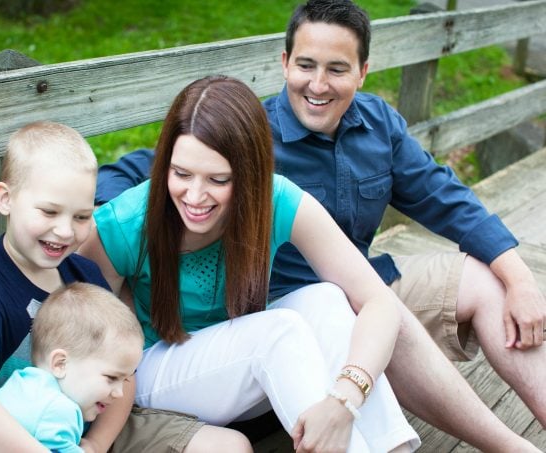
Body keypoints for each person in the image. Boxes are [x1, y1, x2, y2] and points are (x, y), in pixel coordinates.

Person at [92, 1, 546, 450]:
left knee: (478, 284)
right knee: (333, 319)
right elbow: (158, 170)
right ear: (285, 63)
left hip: (339, 292)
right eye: (306, 65)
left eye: (336, 69)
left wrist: (520, 276)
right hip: (264, 316)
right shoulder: (243, 136)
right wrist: (81, 213)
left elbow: (442, 196)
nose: (318, 84)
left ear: (363, 71)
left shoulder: (372, 125)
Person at [79, 74, 421, 452]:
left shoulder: (274, 199)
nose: (194, 195)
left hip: (241, 361)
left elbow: (379, 302)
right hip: (152, 370)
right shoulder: (125, 224)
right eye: (180, 173)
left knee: (325, 298)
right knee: (278, 331)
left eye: (218, 179)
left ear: (250, 174)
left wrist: (346, 396)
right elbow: (82, 337)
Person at [0, 121, 252, 453]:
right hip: (20, 437)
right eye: (49, 211)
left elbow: (124, 374)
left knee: (230, 447)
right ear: (5, 199)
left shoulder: (84, 273)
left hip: (98, 426)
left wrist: (97, 444)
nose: (65, 231)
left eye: (81, 217)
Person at [0, 282, 143, 452]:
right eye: (111, 378)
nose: (119, 393)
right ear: (60, 363)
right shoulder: (58, 410)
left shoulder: (21, 384)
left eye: (124, 380)